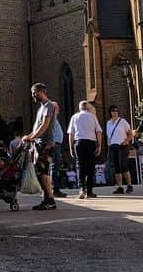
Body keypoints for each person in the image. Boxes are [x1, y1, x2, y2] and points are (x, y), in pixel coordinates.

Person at [21, 82, 59, 210]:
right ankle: (47, 199)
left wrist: (32, 137)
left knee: (43, 171)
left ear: (41, 91)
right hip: (39, 143)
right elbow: (37, 128)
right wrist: (29, 136)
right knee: (41, 171)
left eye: (34, 93)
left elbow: (44, 125)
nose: (33, 96)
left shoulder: (49, 105)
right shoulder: (41, 108)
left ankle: (50, 200)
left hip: (46, 144)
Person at [67, 100, 102, 199]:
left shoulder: (74, 117)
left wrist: (71, 147)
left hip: (79, 142)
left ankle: (82, 189)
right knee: (90, 166)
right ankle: (90, 191)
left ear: (80, 108)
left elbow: (71, 134)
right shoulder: (92, 117)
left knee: (81, 166)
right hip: (91, 142)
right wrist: (99, 146)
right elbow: (99, 131)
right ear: (87, 107)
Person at [106, 105, 134, 194]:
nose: (115, 112)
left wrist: (126, 141)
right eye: (113, 111)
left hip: (122, 146)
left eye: (116, 111)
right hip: (113, 146)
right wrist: (108, 143)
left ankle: (129, 185)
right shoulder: (108, 123)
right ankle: (120, 187)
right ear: (110, 112)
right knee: (116, 168)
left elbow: (130, 133)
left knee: (123, 166)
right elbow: (108, 135)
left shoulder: (123, 121)